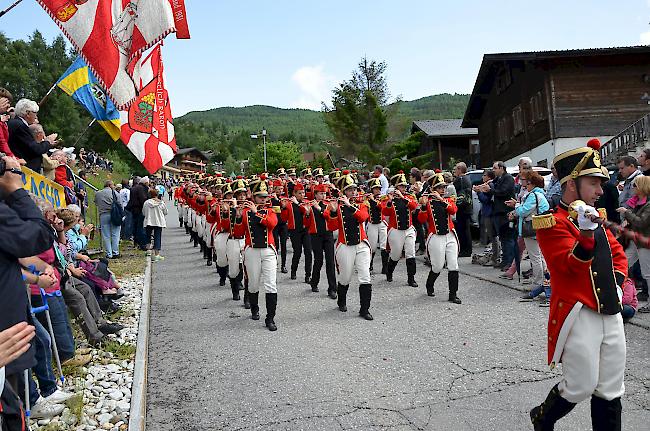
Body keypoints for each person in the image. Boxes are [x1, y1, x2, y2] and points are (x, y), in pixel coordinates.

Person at [530, 138, 627, 431]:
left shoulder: (596, 219)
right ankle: (542, 416)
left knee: (610, 386)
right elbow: (567, 267)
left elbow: (618, 257)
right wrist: (585, 236)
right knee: (581, 385)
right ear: (572, 183)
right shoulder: (552, 223)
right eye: (594, 183)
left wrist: (618, 286)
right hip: (579, 311)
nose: (601, 191)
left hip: (611, 308)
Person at [0, 155, 57, 412]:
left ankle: (39, 396)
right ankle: (35, 399)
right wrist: (17, 190)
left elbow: (16, 257)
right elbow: (36, 238)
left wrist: (45, 269)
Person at [325, 172, 373, 320]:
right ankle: (341, 300)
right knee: (345, 277)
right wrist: (332, 212)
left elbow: (363, 218)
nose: (354, 192)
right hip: (345, 245)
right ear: (344, 191)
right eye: (350, 189)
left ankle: (364, 309)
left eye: (355, 189)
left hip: (361, 244)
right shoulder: (336, 206)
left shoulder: (361, 204)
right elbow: (331, 227)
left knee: (365, 276)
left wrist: (349, 205)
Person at [237, 178, 280, 330]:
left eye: (265, 196)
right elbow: (239, 232)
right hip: (252, 251)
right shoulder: (245, 212)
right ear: (254, 197)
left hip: (268, 250)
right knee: (253, 284)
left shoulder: (270, 210)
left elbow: (272, 224)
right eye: (260, 197)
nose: (264, 199)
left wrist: (256, 213)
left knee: (270, 285)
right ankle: (254, 308)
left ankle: (270, 318)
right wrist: (237, 216)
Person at [417, 173, 462, 303]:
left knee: (453, 265)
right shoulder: (428, 202)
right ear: (432, 189)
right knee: (437, 266)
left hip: (450, 235)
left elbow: (453, 211)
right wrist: (424, 206)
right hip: (436, 236)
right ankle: (429, 284)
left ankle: (453, 294)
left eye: (443, 187)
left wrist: (442, 200)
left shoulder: (447, 200)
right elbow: (421, 219)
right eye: (439, 187)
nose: (443, 189)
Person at [513, 171, 550, 305]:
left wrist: (517, 205)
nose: (525, 185)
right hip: (540, 228)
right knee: (541, 257)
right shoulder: (541, 194)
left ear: (532, 183)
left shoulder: (533, 195)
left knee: (535, 257)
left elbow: (523, 211)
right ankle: (545, 283)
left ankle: (538, 284)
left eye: (527, 182)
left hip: (532, 230)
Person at [616, 175, 650, 313]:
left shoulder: (647, 204)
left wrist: (627, 213)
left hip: (644, 241)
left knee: (648, 273)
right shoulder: (638, 201)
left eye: (635, 186)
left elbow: (641, 222)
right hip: (635, 240)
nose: (632, 188)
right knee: (623, 262)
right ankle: (622, 294)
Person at [382, 171, 419, 287]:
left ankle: (411, 278)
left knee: (410, 253)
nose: (403, 188)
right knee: (396, 254)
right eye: (401, 186)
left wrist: (403, 197)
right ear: (396, 187)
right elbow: (385, 212)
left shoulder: (408, 197)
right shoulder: (389, 198)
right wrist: (390, 200)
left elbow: (413, 207)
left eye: (404, 186)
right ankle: (389, 271)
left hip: (409, 229)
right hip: (396, 230)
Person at [303, 183, 337, 298]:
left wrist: (320, 209)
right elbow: (306, 224)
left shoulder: (329, 205)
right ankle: (314, 282)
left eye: (324, 193)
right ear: (316, 194)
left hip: (328, 235)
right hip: (315, 236)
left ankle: (332, 288)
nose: (323, 195)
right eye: (321, 194)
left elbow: (330, 217)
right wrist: (307, 214)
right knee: (318, 260)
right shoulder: (310, 205)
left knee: (330, 262)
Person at [7, 99, 58, 172]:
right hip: (21, 169)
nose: (36, 116)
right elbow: (36, 149)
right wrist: (48, 141)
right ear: (27, 113)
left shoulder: (16, 123)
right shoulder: (20, 126)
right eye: (35, 113)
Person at [281, 183, 312, 283]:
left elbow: (307, 213)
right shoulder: (289, 204)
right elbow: (284, 218)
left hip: (306, 230)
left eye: (303, 192)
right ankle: (293, 271)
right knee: (297, 252)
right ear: (294, 194)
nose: (302, 195)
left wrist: (298, 204)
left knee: (308, 252)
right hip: (295, 231)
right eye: (300, 193)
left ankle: (308, 275)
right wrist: (284, 208)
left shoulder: (307, 202)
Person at [365, 177, 388, 274]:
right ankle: (369, 266)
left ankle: (385, 267)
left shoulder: (383, 197)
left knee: (384, 245)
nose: (378, 190)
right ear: (371, 189)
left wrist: (373, 200)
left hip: (382, 223)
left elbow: (382, 207)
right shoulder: (366, 199)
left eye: (379, 188)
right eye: (375, 188)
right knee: (373, 246)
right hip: (372, 224)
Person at [94, 180, 122, 259]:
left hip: (103, 214)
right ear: (110, 185)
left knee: (106, 235)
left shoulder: (98, 193)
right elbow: (120, 204)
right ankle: (115, 252)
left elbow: (96, 203)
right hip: (114, 214)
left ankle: (109, 253)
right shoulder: (115, 193)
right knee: (115, 233)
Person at [453, 162, 473, 257]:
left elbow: (455, 191)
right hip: (467, 207)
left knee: (462, 230)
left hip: (462, 208)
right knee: (466, 229)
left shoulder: (460, 179)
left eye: (456, 169)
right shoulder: (467, 179)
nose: (455, 171)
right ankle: (467, 249)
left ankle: (465, 250)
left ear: (460, 170)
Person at [143, 187, 168, 262]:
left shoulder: (146, 203)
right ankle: (156, 254)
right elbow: (165, 212)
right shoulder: (161, 203)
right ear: (157, 195)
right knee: (157, 237)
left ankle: (148, 251)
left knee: (148, 236)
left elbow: (143, 212)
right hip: (158, 222)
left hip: (148, 221)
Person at [126, 176, 150, 250]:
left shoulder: (134, 188)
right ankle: (143, 244)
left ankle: (136, 243)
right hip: (140, 210)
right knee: (141, 227)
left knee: (135, 227)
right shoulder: (142, 189)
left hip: (134, 209)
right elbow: (143, 200)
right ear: (146, 182)